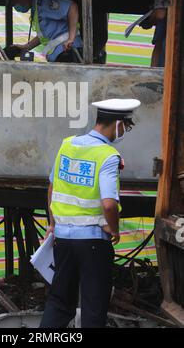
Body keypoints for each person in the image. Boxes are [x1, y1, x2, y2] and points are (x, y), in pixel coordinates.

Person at [40, 98, 141, 328]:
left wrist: (53, 223)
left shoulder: (68, 144)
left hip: (63, 240)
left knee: (59, 302)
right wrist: (114, 229)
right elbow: (108, 204)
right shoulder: (107, 156)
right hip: (94, 243)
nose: (126, 130)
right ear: (117, 123)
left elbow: (52, 187)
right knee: (93, 308)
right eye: (127, 125)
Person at [0, 0, 83, 63]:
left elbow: (72, 7)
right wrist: (26, 47)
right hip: (59, 54)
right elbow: (44, 34)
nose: (16, 6)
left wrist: (71, 38)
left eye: (15, 2)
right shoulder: (35, 8)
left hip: (68, 52)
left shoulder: (44, 1)